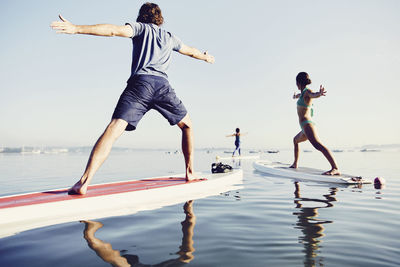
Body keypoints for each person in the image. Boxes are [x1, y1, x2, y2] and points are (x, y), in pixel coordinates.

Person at [50, 3, 215, 195]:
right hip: (162, 87)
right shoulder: (170, 38)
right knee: (187, 125)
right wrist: (205, 57)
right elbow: (191, 50)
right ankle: (190, 172)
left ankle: (84, 183)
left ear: (141, 16)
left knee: (113, 130)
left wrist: (77, 28)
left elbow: (112, 30)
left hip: (140, 85)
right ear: (160, 19)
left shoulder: (139, 28)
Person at [289, 72, 340, 175]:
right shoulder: (302, 94)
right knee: (295, 140)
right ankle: (295, 164)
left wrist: (319, 94)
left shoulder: (307, 92)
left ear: (298, 83)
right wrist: (295, 96)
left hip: (308, 125)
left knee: (318, 146)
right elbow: (299, 96)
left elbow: (313, 94)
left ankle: (335, 168)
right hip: (304, 128)